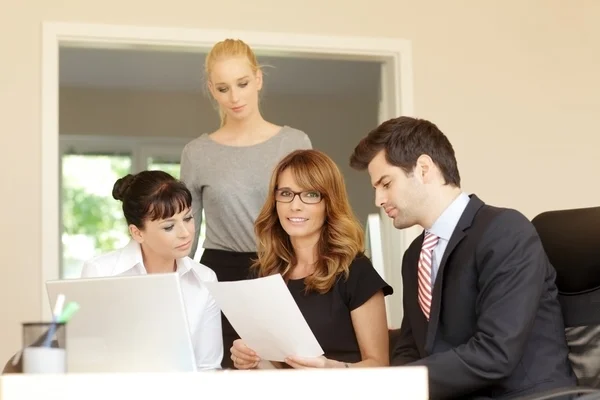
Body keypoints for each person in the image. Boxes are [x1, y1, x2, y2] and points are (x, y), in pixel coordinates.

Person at [349, 116, 576, 399]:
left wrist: (395, 385)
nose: (379, 200)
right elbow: (410, 347)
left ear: (423, 168)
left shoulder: (505, 231)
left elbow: (496, 352)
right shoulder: (415, 256)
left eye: (385, 183)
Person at [180, 38, 312, 368]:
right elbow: (186, 234)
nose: (234, 97)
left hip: (284, 267)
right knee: (224, 373)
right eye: (223, 88)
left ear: (258, 79)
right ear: (212, 89)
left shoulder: (294, 142)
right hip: (221, 275)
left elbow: (313, 215)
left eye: (242, 84)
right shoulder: (197, 153)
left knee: (289, 370)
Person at [230, 149, 393, 370]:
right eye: (286, 193)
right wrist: (249, 358)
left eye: (310, 194)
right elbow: (275, 367)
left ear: (329, 203)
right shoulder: (262, 273)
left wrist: (330, 369)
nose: (295, 205)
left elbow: (379, 365)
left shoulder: (355, 271)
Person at [81, 170, 223, 371]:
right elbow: (85, 361)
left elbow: (208, 367)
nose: (185, 233)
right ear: (137, 232)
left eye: (188, 218)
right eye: (168, 227)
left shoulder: (205, 278)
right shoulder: (101, 272)